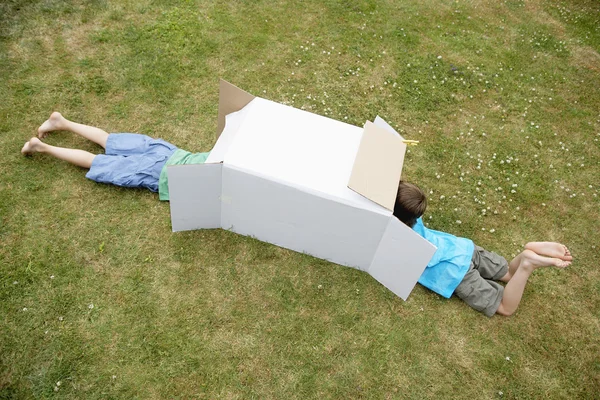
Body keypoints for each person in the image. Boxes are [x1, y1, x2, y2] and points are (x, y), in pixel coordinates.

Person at [393, 181, 572, 317]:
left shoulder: (396, 237)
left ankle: (527, 265)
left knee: (504, 307)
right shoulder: (416, 218)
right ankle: (527, 252)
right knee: (509, 273)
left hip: (454, 271)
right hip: (462, 248)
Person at [21, 112, 210, 200]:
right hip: (159, 173)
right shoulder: (220, 188)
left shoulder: (231, 153)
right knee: (95, 162)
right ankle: (42, 147)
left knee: (107, 139)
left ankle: (62, 122)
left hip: (167, 151)